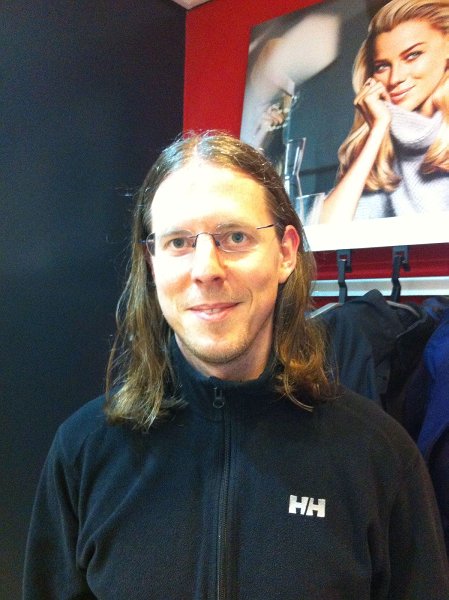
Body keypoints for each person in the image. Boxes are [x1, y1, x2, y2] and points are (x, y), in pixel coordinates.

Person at [23, 132, 449, 599]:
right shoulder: (83, 453)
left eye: (236, 237)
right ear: (152, 263)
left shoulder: (379, 456)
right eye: (179, 242)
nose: (206, 269)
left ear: (285, 253)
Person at [320, 0, 449, 223]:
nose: (395, 78)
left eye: (412, 55)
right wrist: (377, 129)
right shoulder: (381, 148)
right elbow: (325, 233)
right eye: (382, 66)